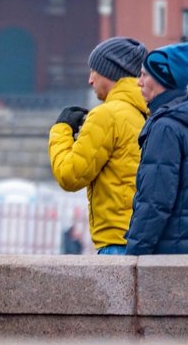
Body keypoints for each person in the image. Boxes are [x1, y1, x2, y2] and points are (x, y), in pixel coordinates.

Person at [49, 37, 149, 255]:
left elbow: (70, 175)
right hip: (142, 236)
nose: (90, 80)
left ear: (110, 72)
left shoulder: (107, 115)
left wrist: (61, 130)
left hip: (116, 240)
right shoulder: (144, 110)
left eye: (94, 71)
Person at [126, 42, 188, 255]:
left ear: (162, 79)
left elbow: (154, 202)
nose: (139, 82)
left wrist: (133, 256)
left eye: (144, 75)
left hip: (166, 259)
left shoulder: (165, 128)